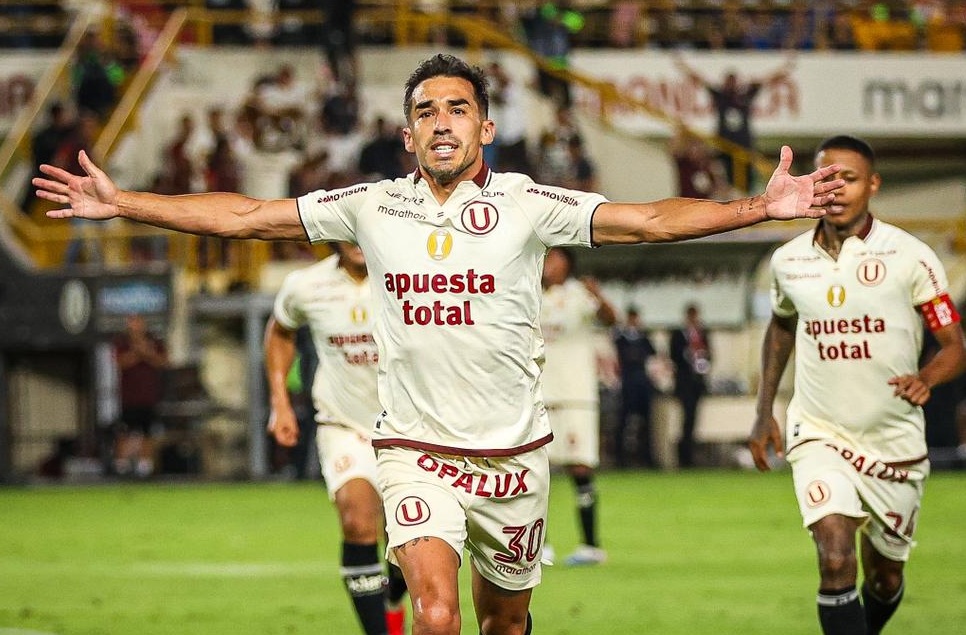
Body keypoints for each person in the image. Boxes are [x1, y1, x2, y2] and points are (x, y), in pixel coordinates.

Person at [35, 53, 844, 635]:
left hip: (514, 454)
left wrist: (757, 207)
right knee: (432, 613)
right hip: (415, 449)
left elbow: (648, 221)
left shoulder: (529, 203)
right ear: (407, 133)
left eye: (457, 108)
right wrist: (126, 203)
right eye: (426, 111)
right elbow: (248, 216)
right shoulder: (371, 206)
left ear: (485, 126)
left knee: (507, 619)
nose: (442, 121)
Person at [748, 135, 966, 635]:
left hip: (893, 441)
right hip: (820, 432)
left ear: (873, 185)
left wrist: (926, 377)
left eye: (850, 178)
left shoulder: (911, 256)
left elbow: (954, 344)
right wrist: (764, 411)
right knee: (835, 557)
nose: (838, 188)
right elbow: (781, 327)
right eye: (828, 178)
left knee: (885, 577)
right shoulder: (788, 261)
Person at [264, 242, 407, 635]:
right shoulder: (306, 285)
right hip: (343, 426)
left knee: (407, 542)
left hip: (407, 429)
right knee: (358, 521)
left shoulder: (407, 274)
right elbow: (280, 330)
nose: (357, 241)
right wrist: (280, 402)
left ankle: (394, 596)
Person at [540, 247, 616, 566]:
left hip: (576, 395)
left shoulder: (578, 294)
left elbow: (610, 319)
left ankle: (590, 546)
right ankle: (539, 547)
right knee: (535, 471)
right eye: (546, 257)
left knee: (580, 468)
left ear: (567, 265)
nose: (548, 265)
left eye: (555, 259)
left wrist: (598, 296)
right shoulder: (527, 291)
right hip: (538, 396)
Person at [673, 52, 795, 192]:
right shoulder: (720, 96)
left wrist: (784, 68)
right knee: (723, 179)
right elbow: (700, 80)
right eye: (728, 81)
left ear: (737, 82)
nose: (730, 84)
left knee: (746, 182)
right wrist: (684, 67)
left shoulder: (746, 95)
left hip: (744, 148)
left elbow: (767, 80)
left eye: (733, 81)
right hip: (723, 147)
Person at [113, 314, 169, 478]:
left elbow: (163, 362)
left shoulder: (155, 342)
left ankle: (144, 466)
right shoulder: (122, 343)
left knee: (147, 432)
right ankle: (121, 466)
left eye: (138, 323)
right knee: (124, 432)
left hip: (148, 397)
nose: (136, 327)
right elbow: (120, 362)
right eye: (133, 324)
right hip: (129, 398)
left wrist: (147, 353)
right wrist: (137, 352)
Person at [612, 306, 657, 468]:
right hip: (628, 383)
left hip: (642, 382)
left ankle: (647, 457)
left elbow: (652, 352)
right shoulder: (622, 338)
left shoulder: (644, 337)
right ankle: (620, 457)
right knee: (623, 420)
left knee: (647, 422)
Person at [669, 303, 711, 468]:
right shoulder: (678, 334)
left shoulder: (703, 334)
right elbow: (674, 356)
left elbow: (709, 355)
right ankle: (683, 456)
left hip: (697, 383)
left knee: (693, 419)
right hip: (684, 383)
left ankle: (689, 455)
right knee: (686, 419)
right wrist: (688, 353)